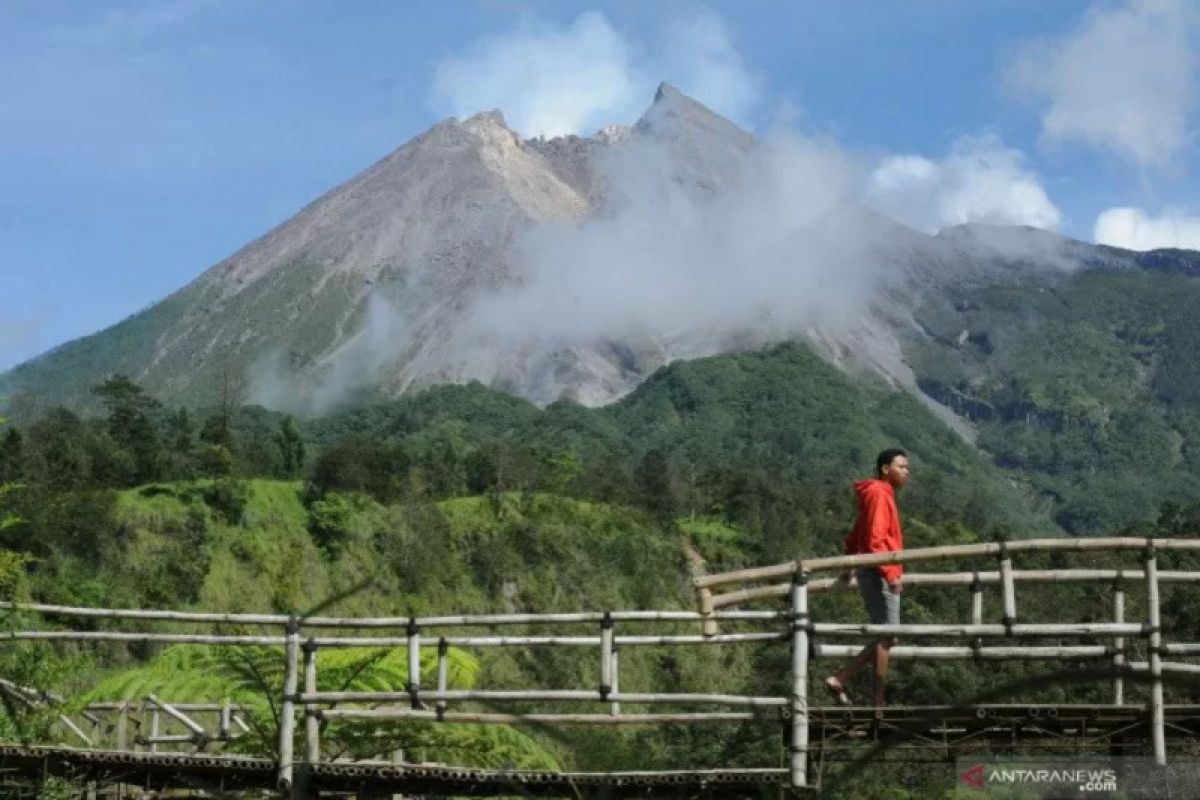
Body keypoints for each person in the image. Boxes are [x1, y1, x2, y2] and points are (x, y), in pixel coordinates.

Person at [824, 448, 909, 709]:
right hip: (878, 571)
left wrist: (850, 562)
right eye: (901, 466)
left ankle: (842, 678)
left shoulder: (876, 493)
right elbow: (874, 539)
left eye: (907, 468)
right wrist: (891, 572)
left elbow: (857, 532)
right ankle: (877, 700)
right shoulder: (880, 493)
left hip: (872, 569)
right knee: (887, 635)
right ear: (885, 468)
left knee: (888, 636)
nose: (906, 472)